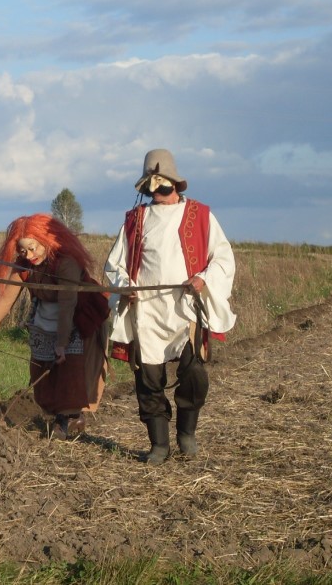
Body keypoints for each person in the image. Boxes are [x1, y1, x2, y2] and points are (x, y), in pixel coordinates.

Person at [104, 149, 236, 464]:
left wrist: (204, 278)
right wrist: (126, 288)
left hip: (186, 308)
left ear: (175, 184)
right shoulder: (135, 219)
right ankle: (159, 445)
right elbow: (114, 265)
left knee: (193, 373)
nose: (157, 194)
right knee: (148, 380)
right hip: (146, 310)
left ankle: (187, 435)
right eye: (152, 188)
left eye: (162, 187)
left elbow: (223, 256)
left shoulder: (201, 214)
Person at [0, 214, 109, 439]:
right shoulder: (24, 266)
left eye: (32, 248)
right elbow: (8, 296)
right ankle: (61, 415)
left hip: (77, 318)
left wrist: (62, 342)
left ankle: (67, 419)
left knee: (70, 370)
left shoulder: (67, 263)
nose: (29, 255)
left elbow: (68, 304)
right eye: (23, 250)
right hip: (45, 318)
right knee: (42, 368)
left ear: (46, 241)